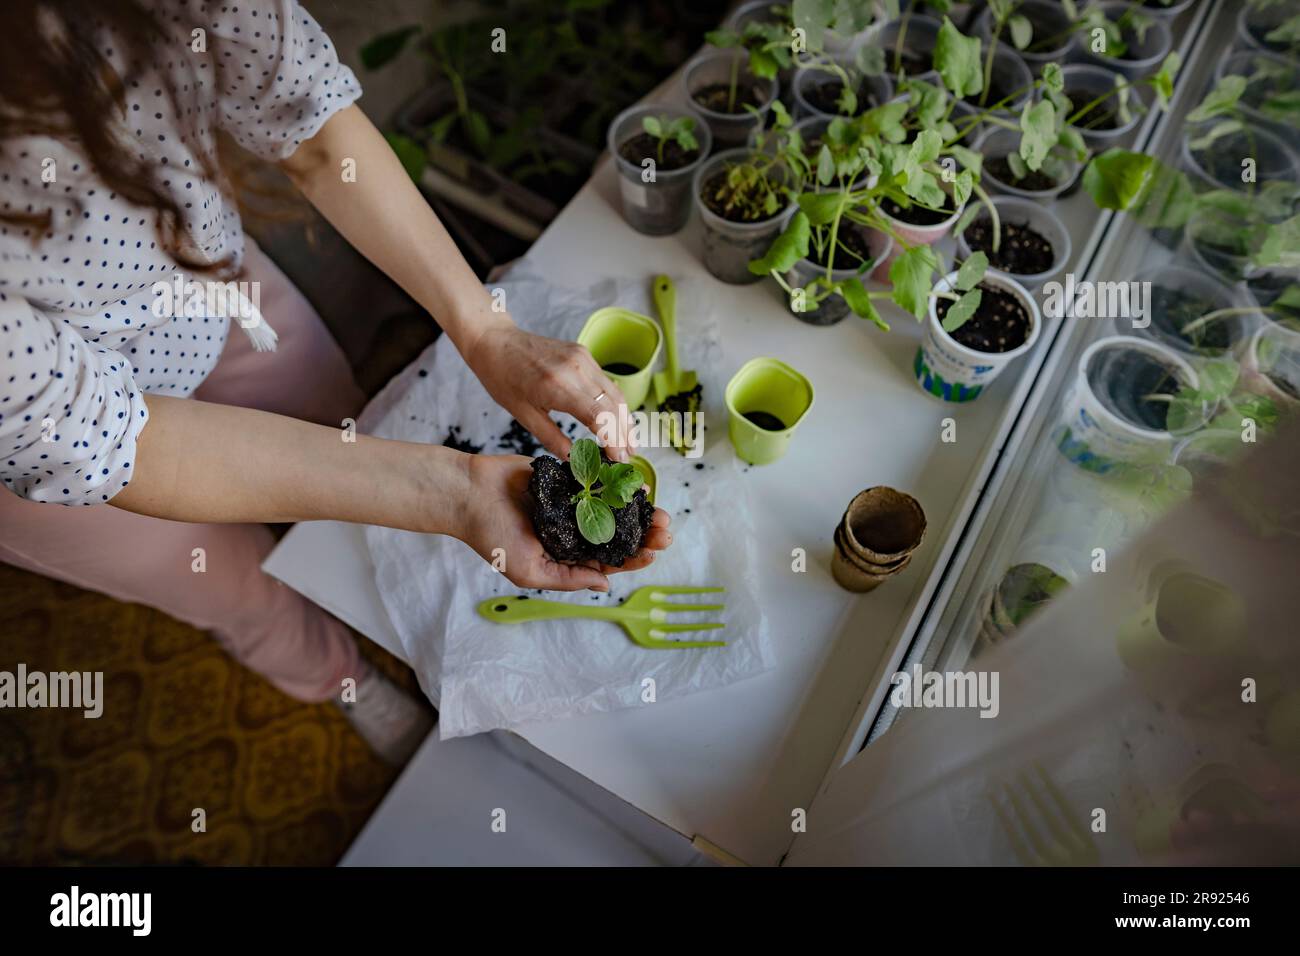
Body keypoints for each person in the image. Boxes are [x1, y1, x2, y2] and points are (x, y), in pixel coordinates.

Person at [0, 0, 671, 763]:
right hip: (55, 457)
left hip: (207, 292)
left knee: (347, 426)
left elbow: (307, 117)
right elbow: (125, 445)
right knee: (234, 585)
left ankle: (383, 596)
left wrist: (484, 328)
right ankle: (340, 678)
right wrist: (452, 493)